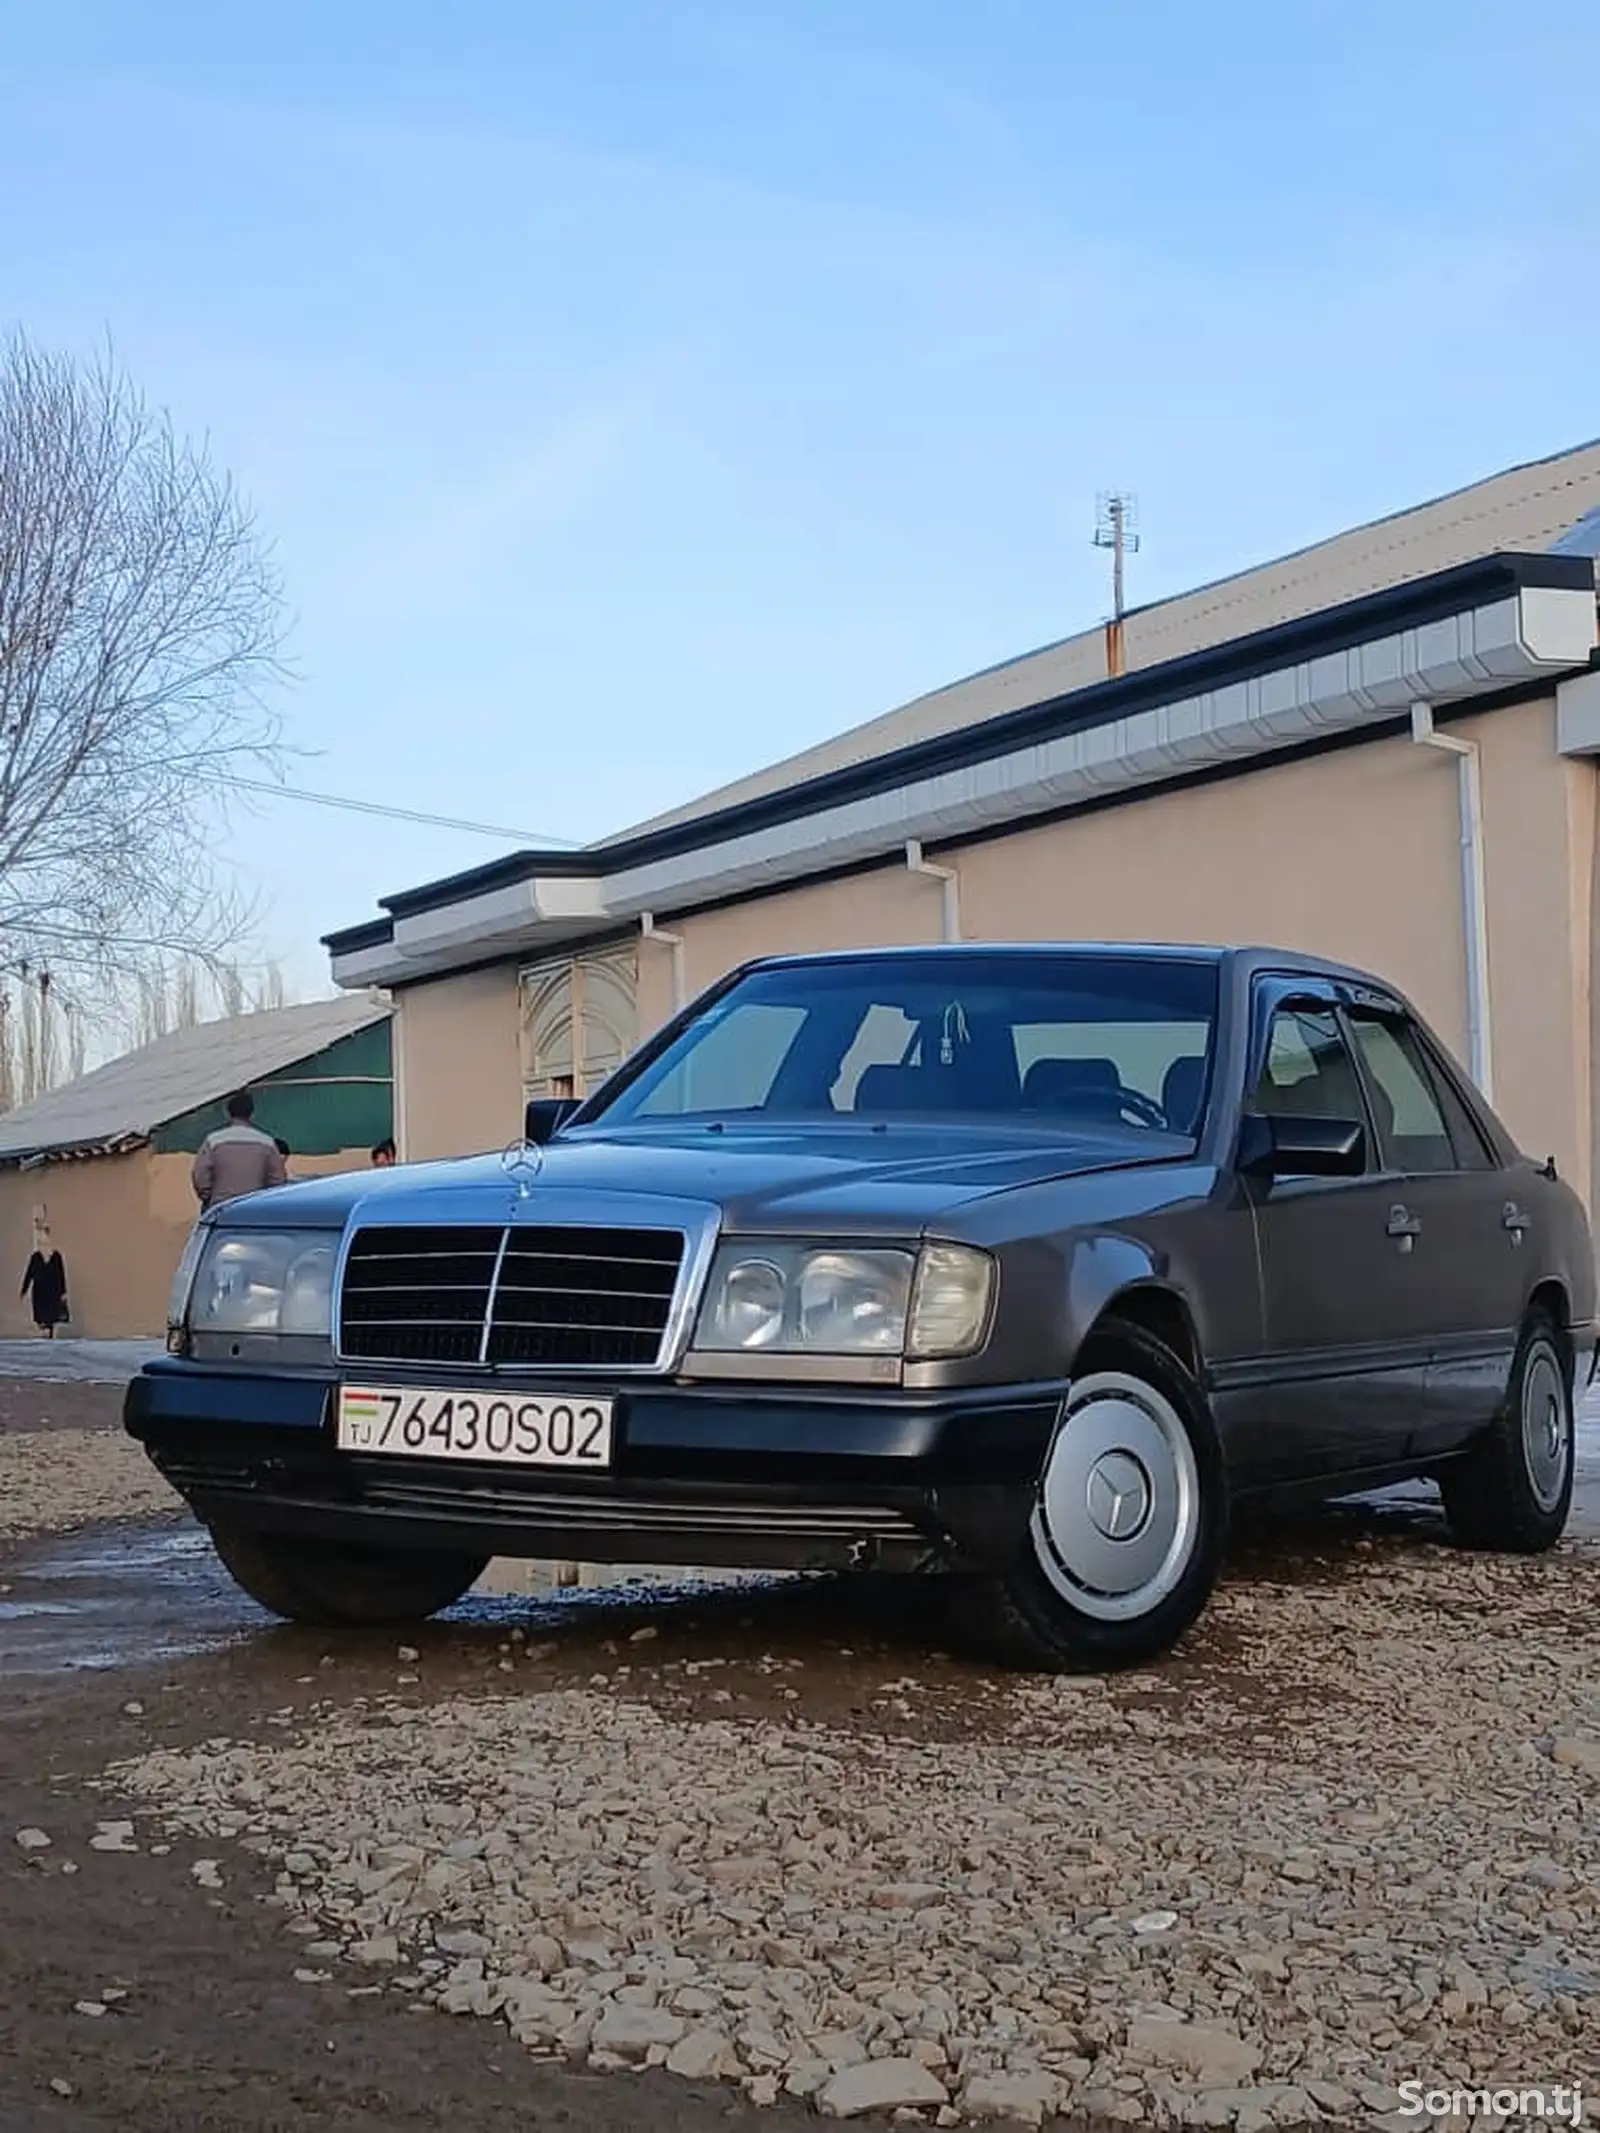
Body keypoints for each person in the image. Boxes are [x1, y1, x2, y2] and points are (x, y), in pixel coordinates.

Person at [192, 1091, 288, 1209]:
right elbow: (278, 1180)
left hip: (220, 1206)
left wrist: (208, 1196)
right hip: (254, 1206)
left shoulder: (213, 1141)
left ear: (228, 1113)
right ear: (252, 1114)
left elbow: (200, 1175)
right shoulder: (267, 1142)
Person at [20, 1226, 68, 1338]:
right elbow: (29, 1273)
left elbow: (61, 1275)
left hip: (53, 1291)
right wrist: (24, 1290)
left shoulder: (56, 1256)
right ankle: (44, 1331)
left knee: (51, 1315)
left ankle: (49, 1332)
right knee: (41, 1315)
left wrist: (63, 1292)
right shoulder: (35, 1257)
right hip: (39, 1292)